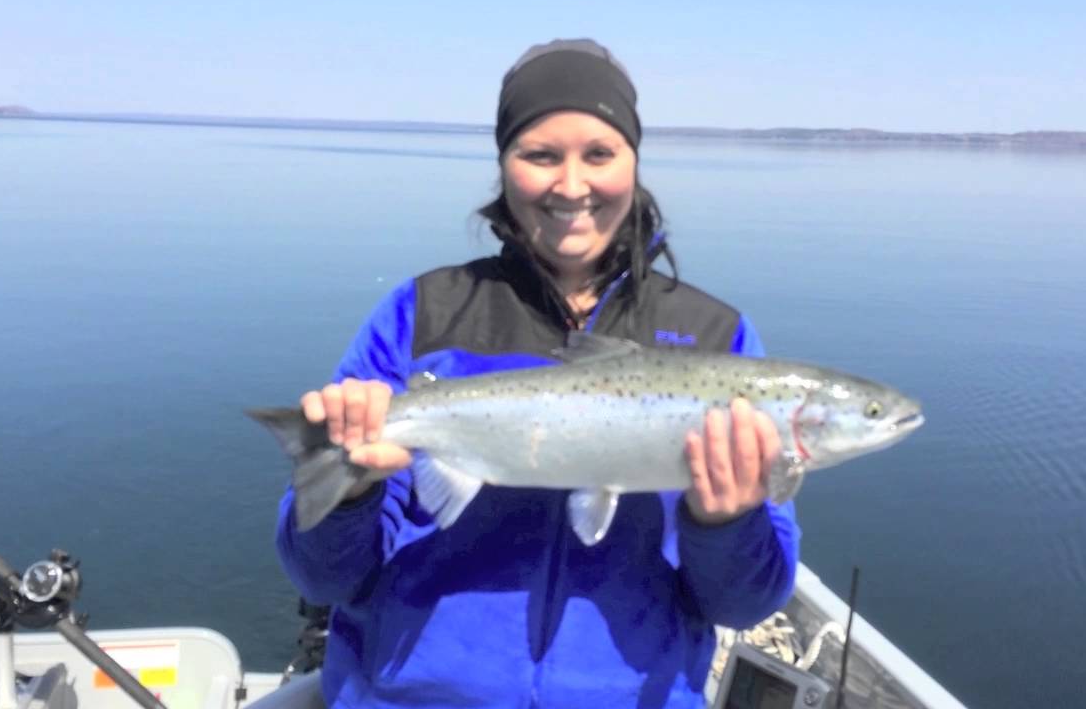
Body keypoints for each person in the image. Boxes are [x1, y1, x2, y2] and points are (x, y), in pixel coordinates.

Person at [275, 38, 801, 709]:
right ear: (504, 166)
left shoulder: (718, 340)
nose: (572, 185)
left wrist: (726, 523)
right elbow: (324, 580)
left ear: (635, 165)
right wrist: (350, 497)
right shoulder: (420, 315)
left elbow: (743, 604)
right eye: (540, 155)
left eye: (600, 154)